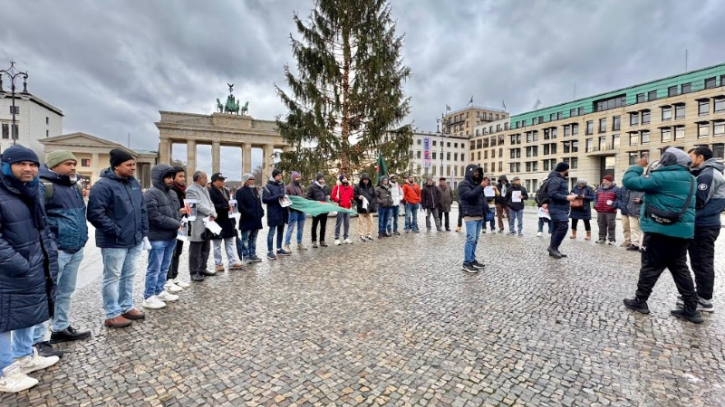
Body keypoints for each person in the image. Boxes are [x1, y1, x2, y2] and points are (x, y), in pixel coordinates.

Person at [0, 145, 60, 393]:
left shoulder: (31, 190)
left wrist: (48, 253)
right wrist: (18, 262)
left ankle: (24, 356)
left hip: (33, 263)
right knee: (3, 320)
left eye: (33, 164)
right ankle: (5, 372)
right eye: (21, 164)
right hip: (10, 268)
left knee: (26, 313)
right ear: (6, 166)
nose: (28, 168)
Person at [622, 148, 702, 323]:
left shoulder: (662, 177)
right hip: (682, 231)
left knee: (650, 267)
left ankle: (640, 301)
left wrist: (638, 167)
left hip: (660, 229)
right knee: (680, 268)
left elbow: (630, 182)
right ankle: (691, 308)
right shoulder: (691, 178)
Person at [34, 151, 90, 351]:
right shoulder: (43, 186)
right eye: (68, 163)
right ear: (54, 165)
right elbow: (39, 220)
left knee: (65, 291)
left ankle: (60, 327)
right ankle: (37, 340)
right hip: (57, 250)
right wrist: (52, 245)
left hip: (75, 247)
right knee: (47, 294)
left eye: (74, 163)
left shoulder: (74, 186)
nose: (73, 167)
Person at [87, 148, 149, 328]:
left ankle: (126, 306)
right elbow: (95, 214)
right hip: (115, 241)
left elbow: (141, 209)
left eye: (134, 165)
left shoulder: (133, 183)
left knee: (129, 275)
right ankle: (112, 313)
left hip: (134, 239)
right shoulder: (102, 186)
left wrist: (143, 230)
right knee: (112, 276)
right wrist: (117, 230)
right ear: (116, 166)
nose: (132, 168)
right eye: (128, 165)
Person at [682, 146, 725, 312]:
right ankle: (699, 294)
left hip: (704, 225)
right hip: (702, 224)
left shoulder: (708, 174)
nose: (688, 158)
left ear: (700, 157)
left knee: (702, 262)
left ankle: (704, 299)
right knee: (698, 261)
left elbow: (699, 201)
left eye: (690, 155)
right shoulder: (704, 172)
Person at [142, 165, 183, 310]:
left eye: (172, 177)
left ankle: (159, 291)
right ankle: (148, 296)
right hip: (157, 236)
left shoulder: (172, 194)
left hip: (171, 235)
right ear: (159, 178)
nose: (171, 180)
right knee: (154, 268)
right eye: (168, 177)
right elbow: (153, 216)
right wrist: (175, 223)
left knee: (164, 267)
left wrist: (177, 221)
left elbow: (176, 211)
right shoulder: (150, 194)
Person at [186, 171, 218, 282]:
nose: (207, 180)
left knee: (206, 246)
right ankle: (194, 272)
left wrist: (213, 212)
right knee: (196, 248)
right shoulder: (191, 190)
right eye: (205, 178)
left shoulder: (205, 189)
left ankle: (202, 268)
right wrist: (211, 212)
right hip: (197, 222)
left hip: (207, 221)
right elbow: (198, 205)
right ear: (199, 179)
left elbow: (210, 203)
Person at [457, 165, 490, 273]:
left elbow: (482, 199)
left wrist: (487, 211)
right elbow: (470, 196)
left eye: (478, 172)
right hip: (470, 215)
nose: (477, 173)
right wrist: (481, 187)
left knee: (475, 240)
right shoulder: (463, 184)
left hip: (479, 215)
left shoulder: (478, 184)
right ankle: (466, 263)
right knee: (471, 239)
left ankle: (472, 259)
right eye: (475, 171)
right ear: (470, 172)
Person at [209, 173, 243, 271]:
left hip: (228, 220)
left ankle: (232, 261)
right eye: (220, 180)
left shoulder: (226, 191)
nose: (223, 181)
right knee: (217, 244)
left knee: (229, 242)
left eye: (223, 180)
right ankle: (218, 263)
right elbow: (211, 206)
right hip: (217, 220)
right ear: (214, 181)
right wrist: (225, 206)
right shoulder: (210, 192)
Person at [165, 167, 190, 292]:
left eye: (183, 176)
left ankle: (174, 276)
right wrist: (179, 211)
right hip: (174, 223)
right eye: (180, 176)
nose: (183, 179)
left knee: (178, 251)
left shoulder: (182, 190)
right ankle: (168, 278)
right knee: (171, 252)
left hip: (182, 223)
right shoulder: (171, 190)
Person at [546, 162, 576, 259]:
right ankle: (552, 247)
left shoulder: (560, 179)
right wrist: (566, 197)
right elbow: (552, 194)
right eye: (568, 169)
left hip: (561, 207)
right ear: (564, 169)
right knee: (563, 225)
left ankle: (554, 249)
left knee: (556, 228)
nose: (568, 171)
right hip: (556, 207)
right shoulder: (555, 179)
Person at [262, 169, 291, 259]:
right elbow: (265, 199)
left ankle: (279, 249)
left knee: (280, 232)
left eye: (280, 175)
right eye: (278, 175)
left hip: (282, 211)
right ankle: (269, 251)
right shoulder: (268, 186)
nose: (280, 176)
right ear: (274, 176)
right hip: (273, 212)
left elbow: (284, 196)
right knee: (271, 232)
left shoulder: (282, 185)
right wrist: (277, 196)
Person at [236, 173, 264, 262]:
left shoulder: (255, 190)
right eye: (250, 179)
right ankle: (246, 256)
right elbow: (240, 206)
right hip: (247, 219)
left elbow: (259, 203)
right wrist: (249, 213)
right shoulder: (240, 191)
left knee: (254, 238)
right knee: (245, 239)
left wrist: (261, 212)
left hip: (256, 219)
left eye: (253, 179)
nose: (252, 181)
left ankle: (253, 254)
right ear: (245, 180)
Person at [593, 175, 620, 245]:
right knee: (601, 225)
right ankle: (601, 238)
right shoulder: (599, 189)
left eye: (606, 181)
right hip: (600, 210)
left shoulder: (616, 189)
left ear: (610, 181)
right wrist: (595, 205)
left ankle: (611, 239)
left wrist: (613, 205)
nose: (604, 182)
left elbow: (619, 199)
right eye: (603, 181)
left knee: (611, 225)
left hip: (610, 211)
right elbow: (595, 197)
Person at [284, 171, 307, 251]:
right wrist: (290, 207)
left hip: (301, 210)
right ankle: (286, 245)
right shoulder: (288, 187)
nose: (298, 179)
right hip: (293, 211)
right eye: (296, 177)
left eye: (299, 177)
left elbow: (302, 196)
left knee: (300, 228)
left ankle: (299, 243)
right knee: (291, 228)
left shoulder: (299, 187)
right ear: (293, 178)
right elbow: (286, 199)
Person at [307, 173, 330, 248]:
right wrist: (316, 203)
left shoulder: (326, 187)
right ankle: (314, 241)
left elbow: (328, 195)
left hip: (324, 209)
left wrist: (328, 197)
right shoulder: (312, 187)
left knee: (323, 226)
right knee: (314, 225)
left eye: (323, 179)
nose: (322, 180)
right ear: (317, 179)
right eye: (320, 179)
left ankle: (322, 240)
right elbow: (308, 198)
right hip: (316, 210)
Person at [331, 174, 355, 245]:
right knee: (339, 223)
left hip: (347, 207)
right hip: (340, 207)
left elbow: (352, 196)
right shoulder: (337, 187)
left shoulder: (350, 188)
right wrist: (338, 200)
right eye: (343, 178)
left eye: (345, 178)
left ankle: (346, 237)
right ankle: (337, 238)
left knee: (347, 223)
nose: (345, 179)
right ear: (341, 180)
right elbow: (333, 195)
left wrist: (351, 200)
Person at [354, 172, 377, 241]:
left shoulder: (371, 187)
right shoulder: (357, 187)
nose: (366, 181)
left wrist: (372, 203)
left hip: (370, 207)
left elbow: (374, 196)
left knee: (370, 222)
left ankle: (369, 234)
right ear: (362, 180)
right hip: (361, 207)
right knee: (361, 222)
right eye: (364, 180)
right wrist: (358, 197)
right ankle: (361, 235)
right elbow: (354, 195)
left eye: (367, 179)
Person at [624, 187, 644, 251]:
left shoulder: (647, 187)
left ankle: (642, 245)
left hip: (642, 212)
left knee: (643, 230)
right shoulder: (631, 188)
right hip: (632, 211)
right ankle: (635, 244)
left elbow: (650, 199)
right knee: (633, 229)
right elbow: (627, 198)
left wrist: (641, 201)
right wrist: (627, 207)